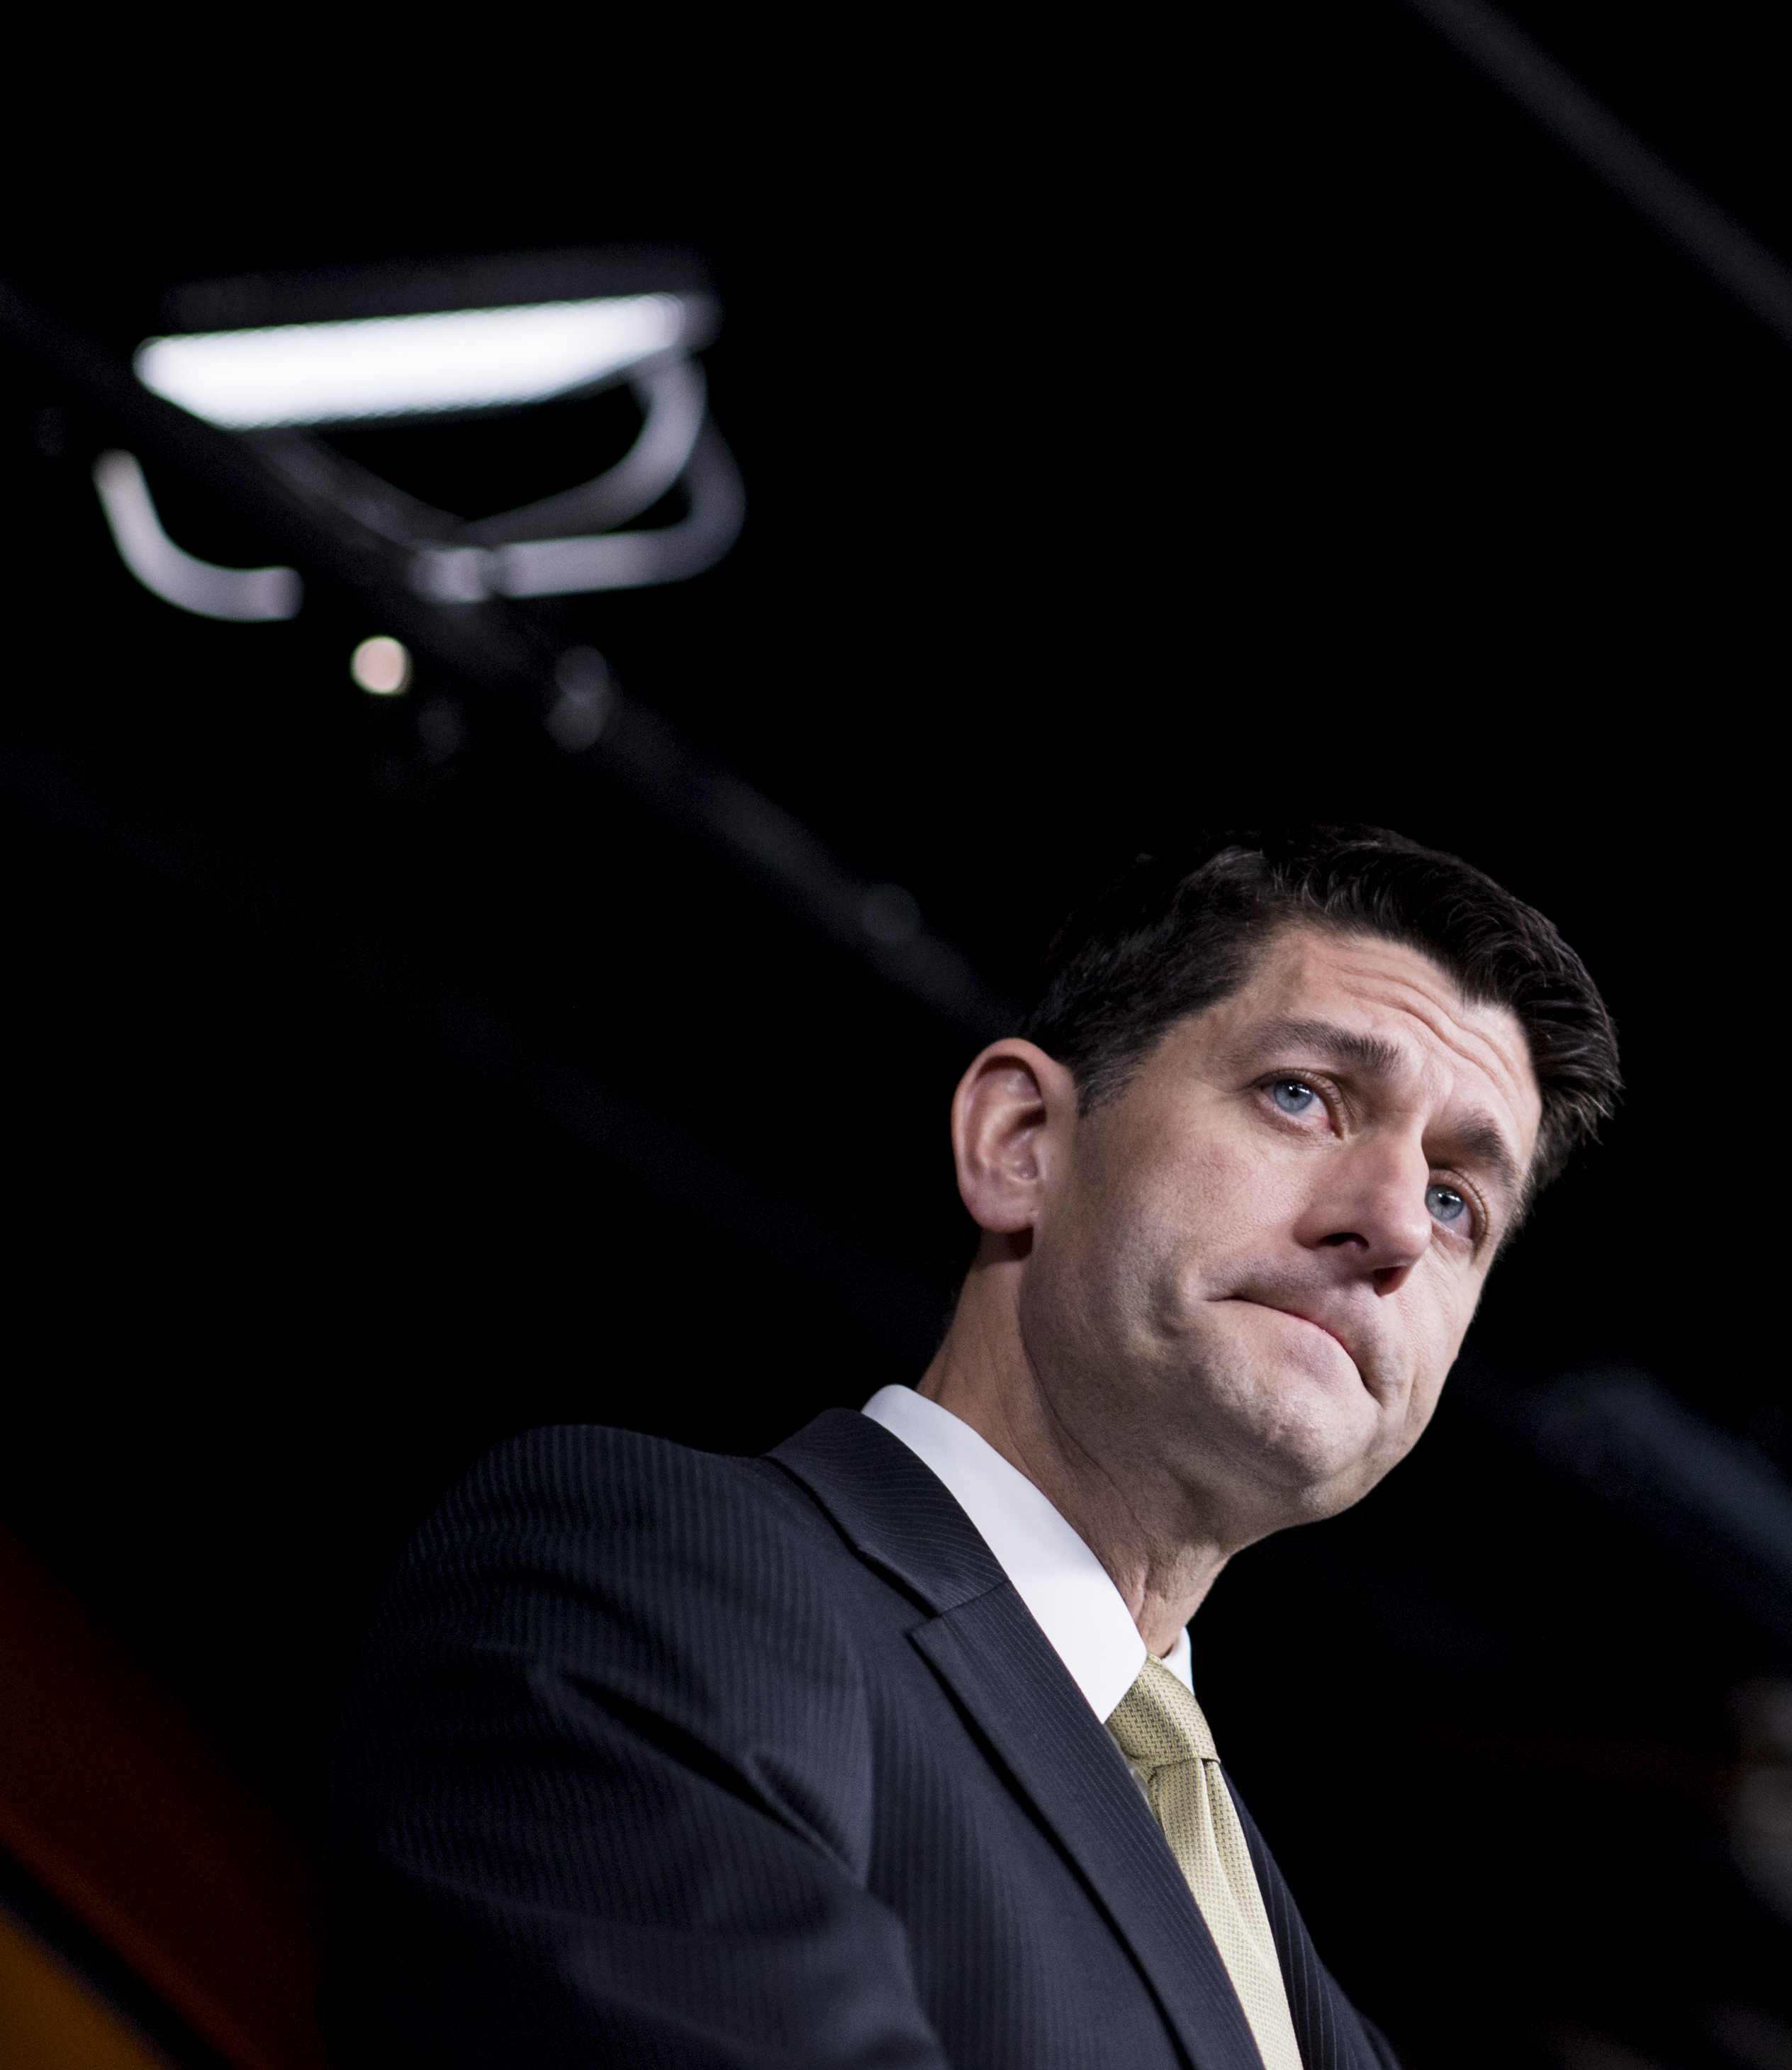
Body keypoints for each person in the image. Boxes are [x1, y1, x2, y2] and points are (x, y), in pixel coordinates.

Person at [323, 827, 1623, 2069]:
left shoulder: (1307, 1995)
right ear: (1020, 1146)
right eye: (1305, 1096)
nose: (1396, 1223)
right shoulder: (638, 1579)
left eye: (1460, 1200)